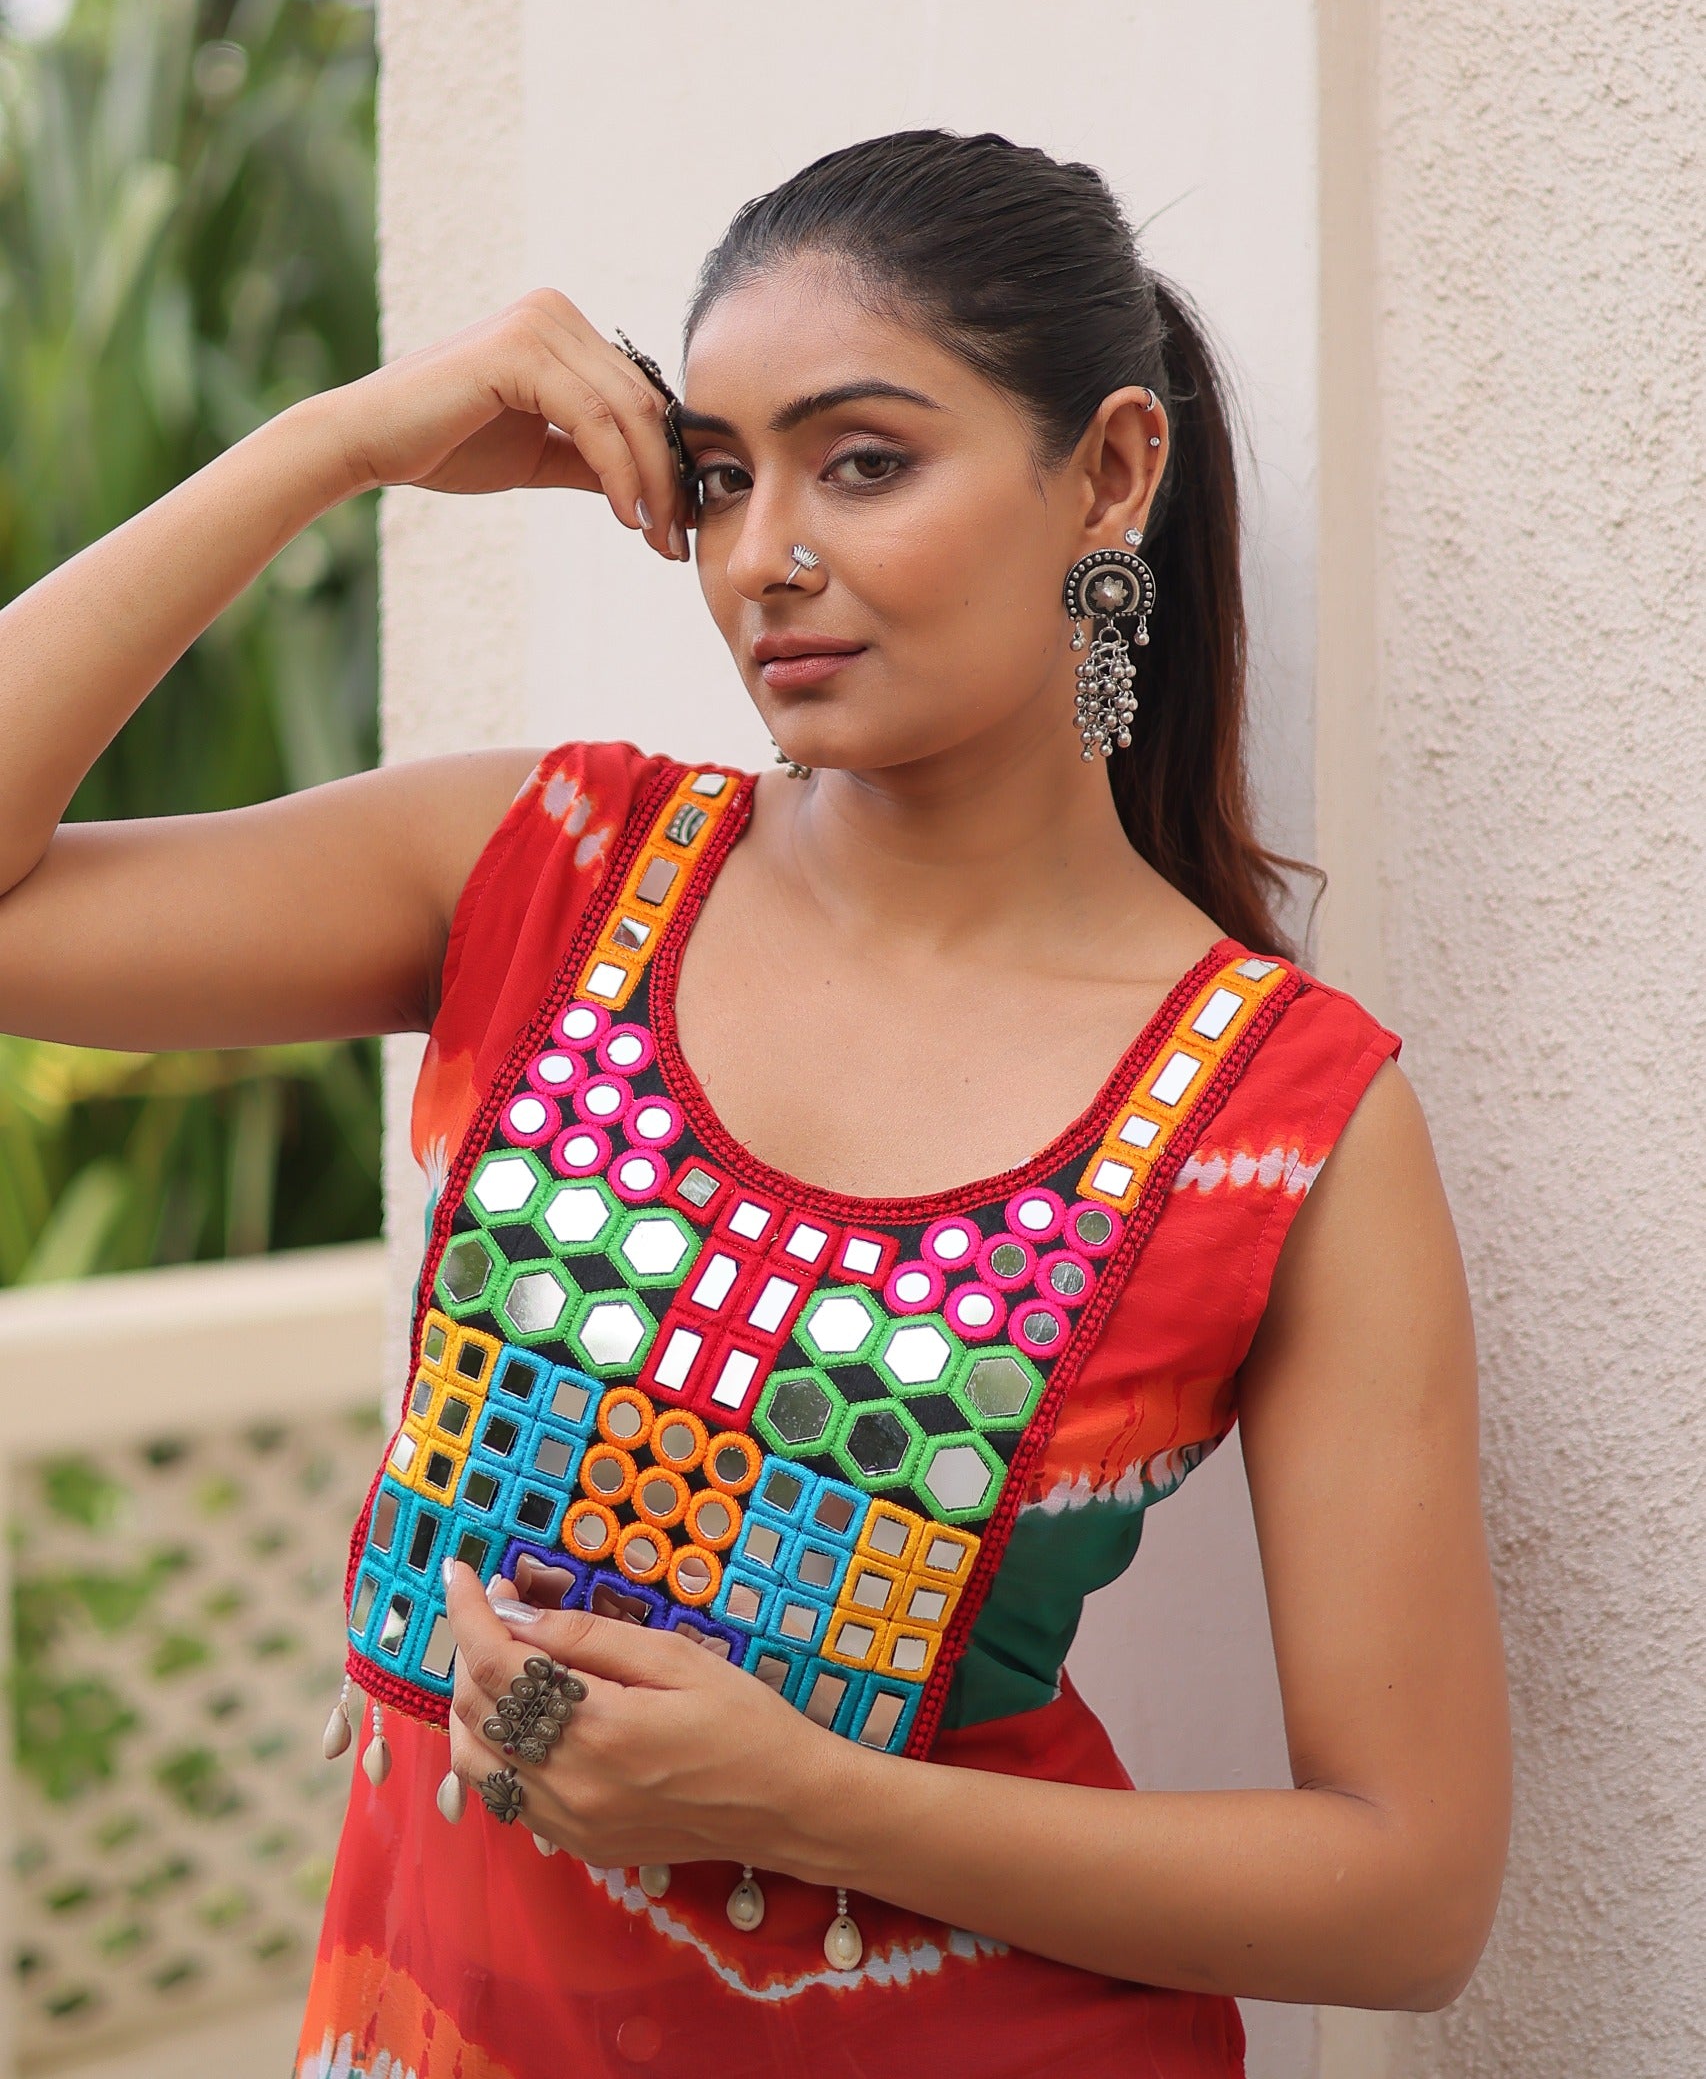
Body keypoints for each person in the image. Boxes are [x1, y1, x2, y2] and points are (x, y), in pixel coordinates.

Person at [0, 130, 1509, 2079]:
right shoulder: (547, 866)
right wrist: (335, 445)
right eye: (720, 476)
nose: (760, 554)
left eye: (861, 462)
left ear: (1108, 473)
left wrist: (809, 1803)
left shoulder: (1277, 1118)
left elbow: (1407, 1894)